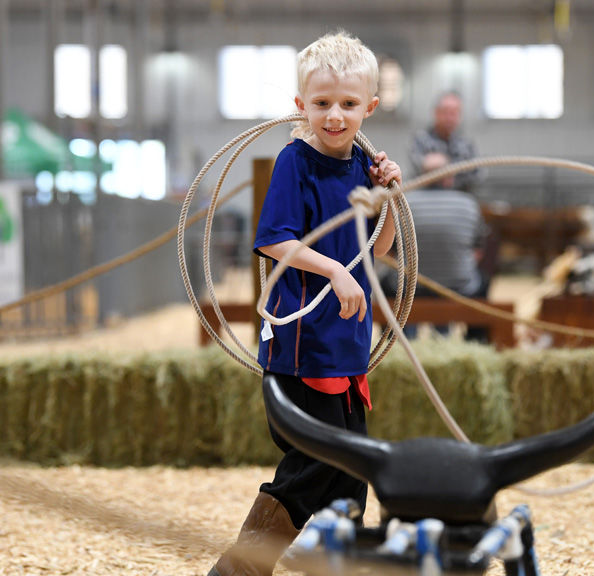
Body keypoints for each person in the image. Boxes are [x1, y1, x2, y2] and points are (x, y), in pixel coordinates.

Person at [207, 31, 401, 576]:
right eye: (321, 104)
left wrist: (386, 199)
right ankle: (239, 569)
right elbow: (274, 240)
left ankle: (338, 562)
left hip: (347, 346)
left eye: (347, 104)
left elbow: (377, 249)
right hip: (302, 347)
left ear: (370, 108)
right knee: (314, 460)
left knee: (353, 472)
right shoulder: (296, 161)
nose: (334, 116)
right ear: (301, 106)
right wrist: (334, 270)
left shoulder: (363, 171)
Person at [403, 151, 491, 341]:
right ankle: (474, 342)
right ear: (450, 177)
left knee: (391, 281)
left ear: (422, 176)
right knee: (482, 281)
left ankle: (403, 338)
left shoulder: (406, 202)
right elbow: (477, 251)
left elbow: (393, 253)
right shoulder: (468, 204)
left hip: (413, 287)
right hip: (459, 287)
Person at [409, 91, 480, 192]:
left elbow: (477, 173)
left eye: (454, 113)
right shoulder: (421, 139)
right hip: (426, 197)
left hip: (460, 196)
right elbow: (418, 166)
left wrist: (445, 167)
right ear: (436, 113)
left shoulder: (466, 143)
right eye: (445, 112)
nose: (449, 118)